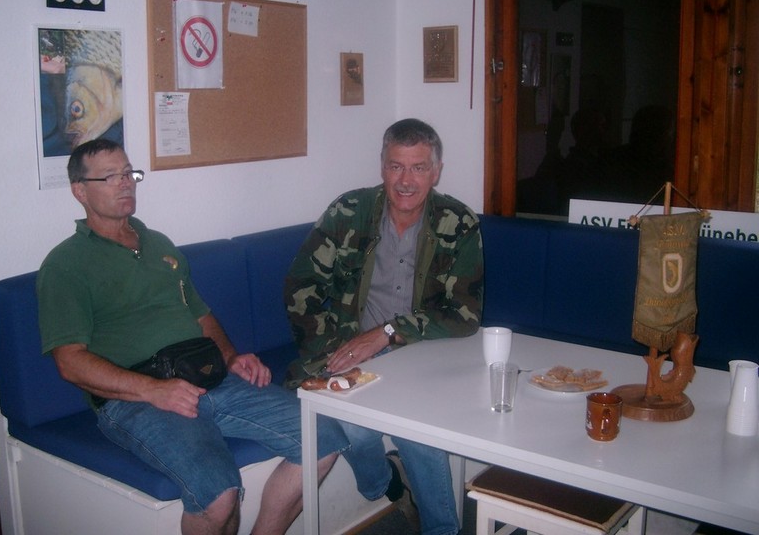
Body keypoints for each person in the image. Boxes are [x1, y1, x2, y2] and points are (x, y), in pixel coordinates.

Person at [37, 139, 347, 535]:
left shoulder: (158, 244)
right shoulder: (66, 264)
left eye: (128, 173)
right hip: (135, 399)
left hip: (205, 376)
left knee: (324, 437)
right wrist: (153, 390)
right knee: (218, 494)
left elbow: (201, 315)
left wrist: (231, 359)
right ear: (80, 191)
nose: (125, 183)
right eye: (110, 176)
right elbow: (70, 361)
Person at [284, 118, 484, 535]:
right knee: (352, 427)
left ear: (436, 171)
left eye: (418, 167)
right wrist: (329, 350)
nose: (406, 181)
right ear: (382, 166)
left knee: (418, 434)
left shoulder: (457, 222)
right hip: (352, 350)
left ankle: (441, 530)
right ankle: (385, 484)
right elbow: (301, 285)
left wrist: (388, 333)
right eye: (396, 166)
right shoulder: (349, 212)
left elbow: (465, 315)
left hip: (420, 353)